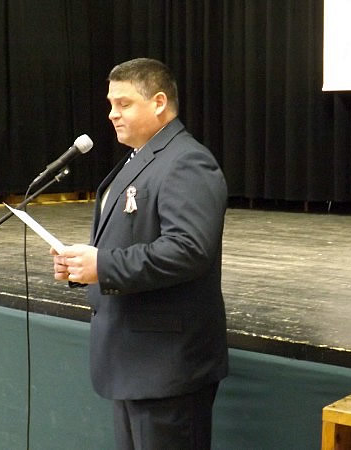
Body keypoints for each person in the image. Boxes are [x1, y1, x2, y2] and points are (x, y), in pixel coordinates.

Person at [52, 58, 228, 449]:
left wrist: (103, 265)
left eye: (124, 103)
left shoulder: (187, 160)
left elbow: (188, 249)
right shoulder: (141, 159)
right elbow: (125, 241)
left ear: (159, 102)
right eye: (111, 104)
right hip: (134, 359)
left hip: (166, 364)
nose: (112, 114)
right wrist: (82, 267)